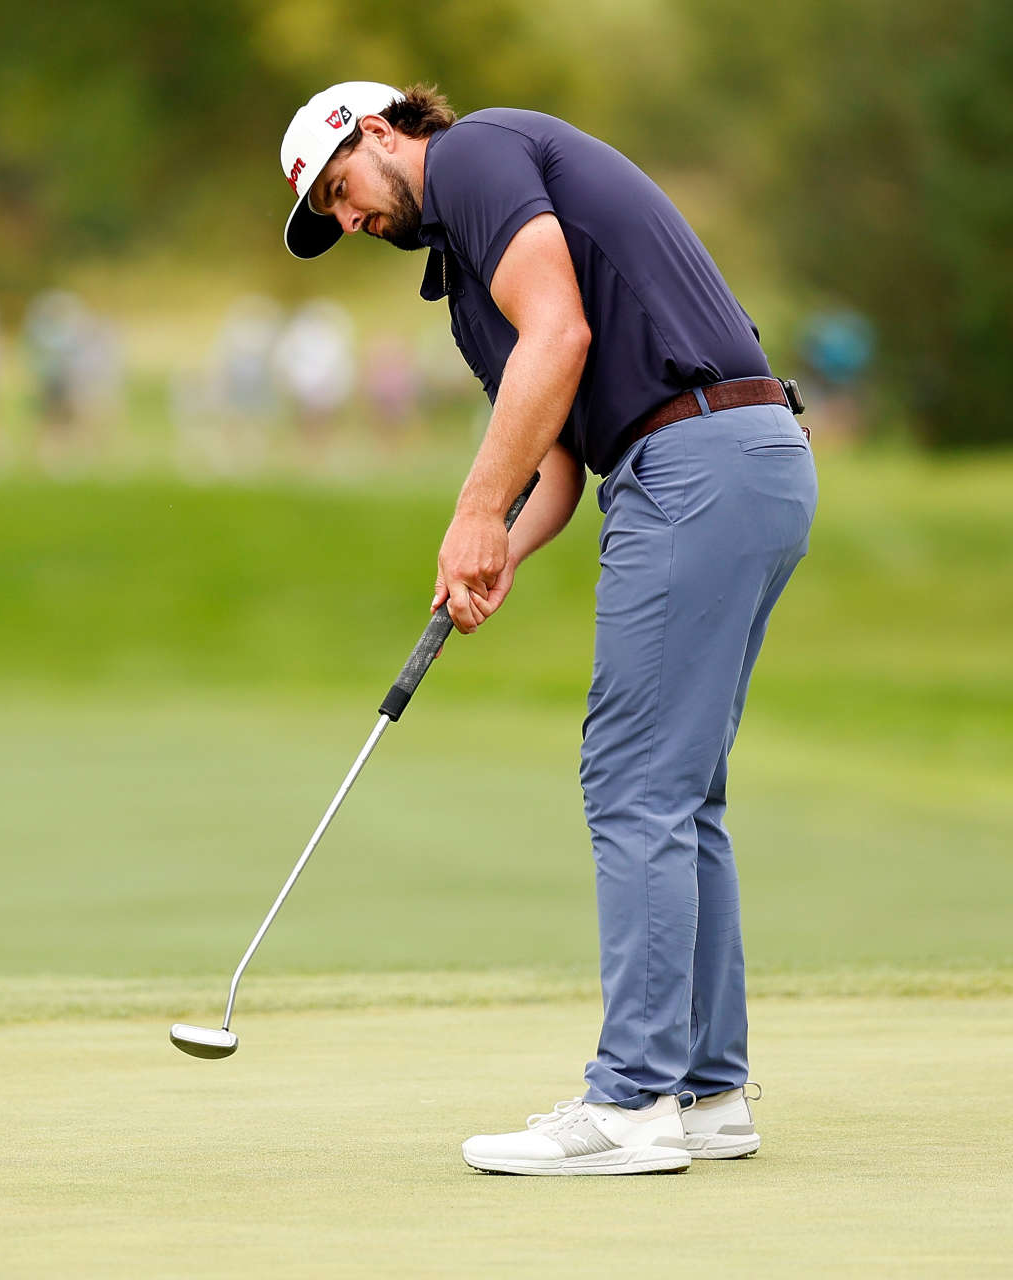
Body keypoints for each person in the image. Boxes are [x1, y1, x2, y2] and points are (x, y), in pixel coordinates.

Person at [279, 81, 817, 1175]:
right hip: (747, 460)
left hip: (695, 458)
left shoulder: (474, 155)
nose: (351, 219)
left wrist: (474, 511)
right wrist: (500, 552)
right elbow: (559, 461)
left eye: (343, 189)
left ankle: (631, 1101)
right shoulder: (473, 289)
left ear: (382, 132)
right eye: (332, 215)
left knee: (632, 784)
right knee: (681, 790)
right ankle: (709, 1093)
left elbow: (562, 335)